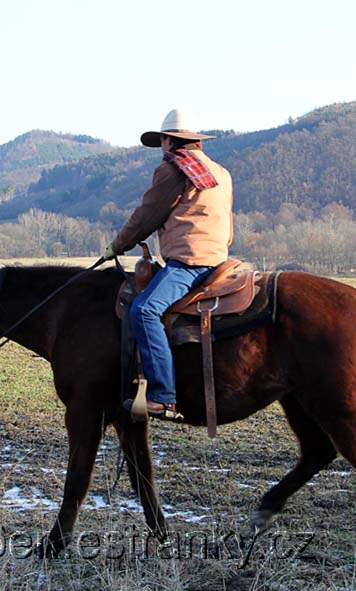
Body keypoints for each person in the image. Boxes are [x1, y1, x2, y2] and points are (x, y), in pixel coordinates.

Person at [103, 109, 234, 419]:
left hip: (191, 261)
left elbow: (147, 214)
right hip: (218, 257)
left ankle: (163, 395)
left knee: (144, 310)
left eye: (161, 141)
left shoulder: (174, 169)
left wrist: (117, 246)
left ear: (167, 140)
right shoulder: (219, 171)